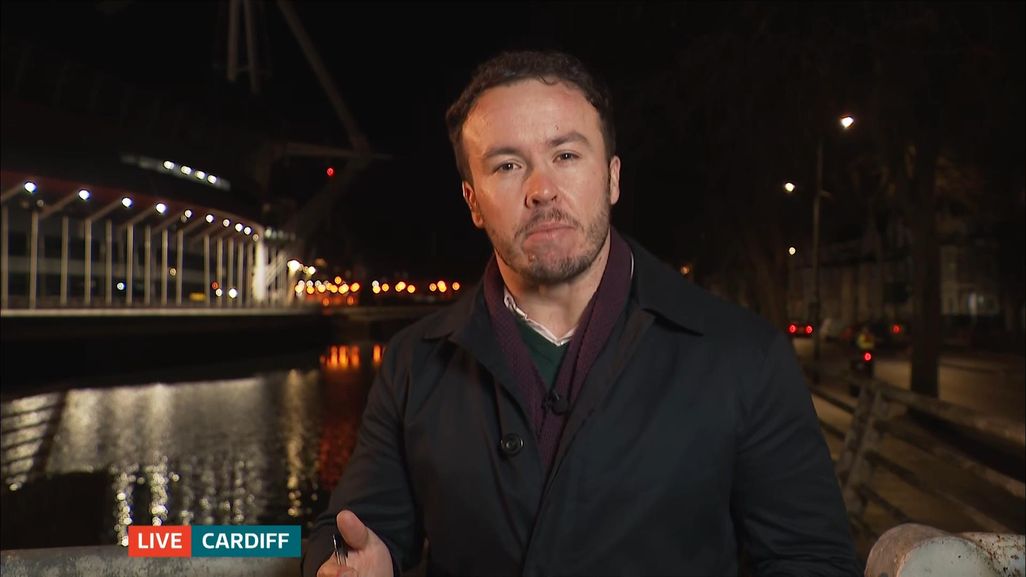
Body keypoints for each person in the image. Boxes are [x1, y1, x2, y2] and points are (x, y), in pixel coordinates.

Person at [304, 50, 859, 577]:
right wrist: (342, 560)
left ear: (612, 178)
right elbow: (349, 530)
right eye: (507, 165)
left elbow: (812, 558)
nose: (542, 190)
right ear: (473, 202)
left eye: (566, 155)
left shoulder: (745, 356)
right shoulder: (412, 365)